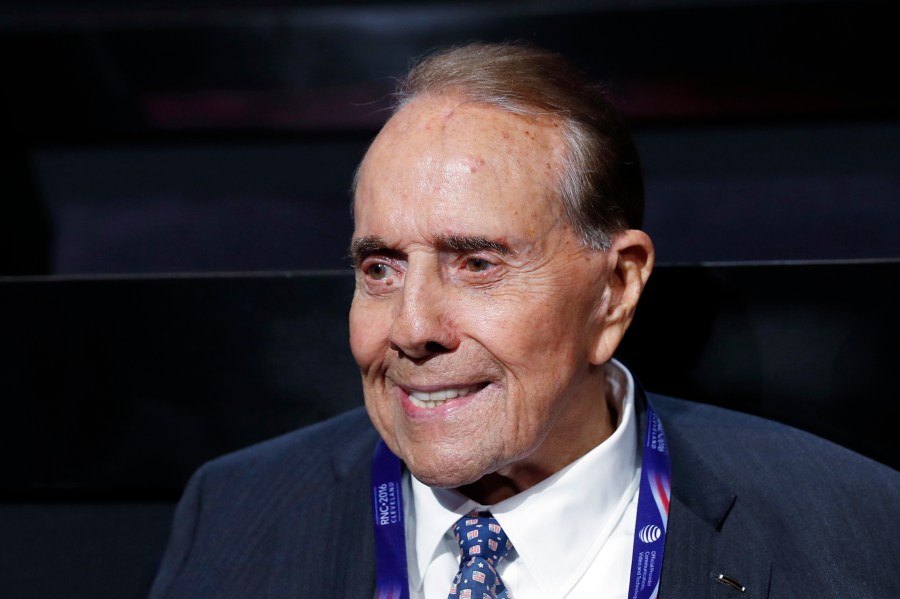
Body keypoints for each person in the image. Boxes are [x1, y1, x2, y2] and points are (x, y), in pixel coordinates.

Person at [149, 42, 900, 599]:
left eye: (476, 263)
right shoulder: (236, 512)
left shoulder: (853, 528)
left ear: (616, 287)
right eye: (380, 268)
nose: (412, 327)